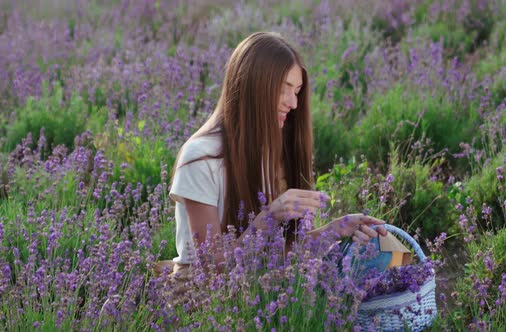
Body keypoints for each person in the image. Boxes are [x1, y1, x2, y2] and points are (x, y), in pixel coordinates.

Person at [162, 31, 387, 277]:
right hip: (200, 296)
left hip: (257, 286)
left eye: (297, 91)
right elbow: (214, 268)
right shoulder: (201, 158)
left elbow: (277, 255)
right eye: (284, 89)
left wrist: (335, 229)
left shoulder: (271, 153)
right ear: (252, 87)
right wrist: (268, 218)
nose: (294, 104)